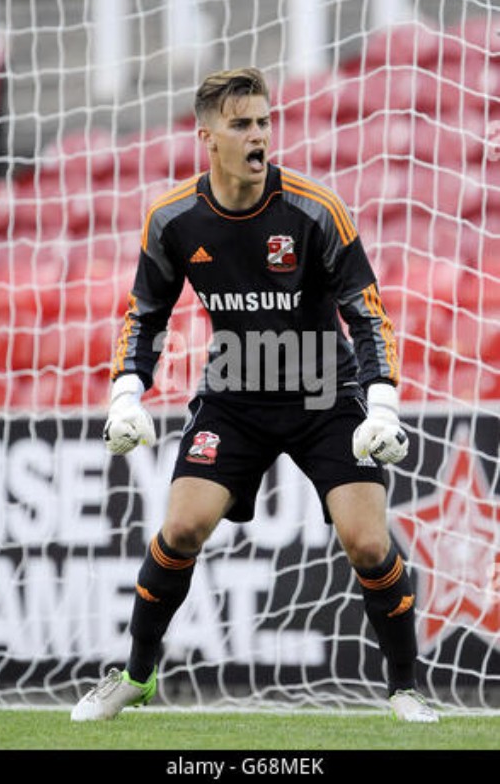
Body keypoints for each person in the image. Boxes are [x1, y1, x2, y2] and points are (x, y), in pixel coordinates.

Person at [71, 67, 438, 723]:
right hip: (234, 394)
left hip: (325, 393)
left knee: (366, 542)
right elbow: (144, 313)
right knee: (180, 527)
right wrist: (127, 393)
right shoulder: (172, 219)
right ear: (206, 135)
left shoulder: (312, 209)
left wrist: (381, 403)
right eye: (241, 124)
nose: (258, 135)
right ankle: (135, 675)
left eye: (264, 121)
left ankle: (404, 688)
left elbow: (367, 312)